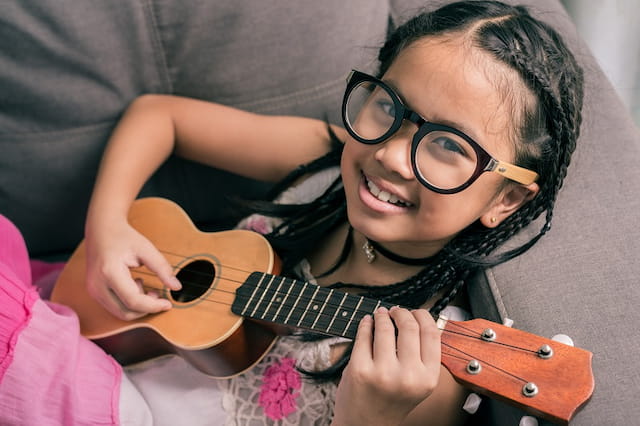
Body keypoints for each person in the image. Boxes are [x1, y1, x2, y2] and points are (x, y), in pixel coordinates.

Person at [0, 1, 583, 425]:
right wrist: (107, 226)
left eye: (449, 146)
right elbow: (160, 116)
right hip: (94, 329)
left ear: (506, 198)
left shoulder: (425, 370)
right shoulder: (327, 159)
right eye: (389, 107)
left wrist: (368, 418)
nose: (390, 155)